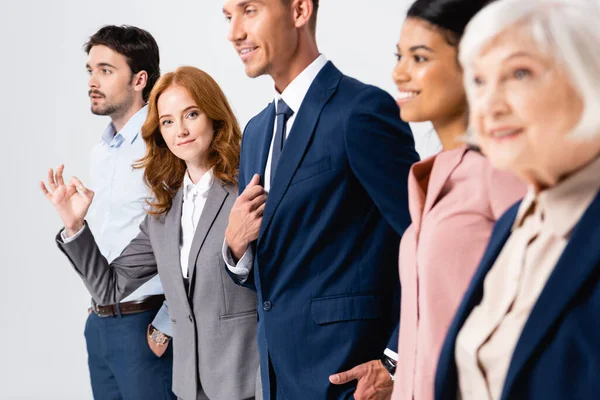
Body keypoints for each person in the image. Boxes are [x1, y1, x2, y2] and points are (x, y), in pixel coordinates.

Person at [221, 0, 420, 398]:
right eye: (228, 17)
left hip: (349, 378)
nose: (234, 32)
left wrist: (397, 361)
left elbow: (426, 239)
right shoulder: (257, 132)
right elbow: (272, 274)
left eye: (249, 10)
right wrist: (235, 248)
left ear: (299, 11)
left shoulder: (361, 111)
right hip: (279, 377)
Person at [41, 66, 260, 400]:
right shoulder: (163, 214)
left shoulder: (247, 189)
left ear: (214, 116)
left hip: (247, 380)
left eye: (191, 114)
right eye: (168, 121)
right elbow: (108, 287)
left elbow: (281, 284)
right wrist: (74, 226)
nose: (181, 130)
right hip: (189, 386)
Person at [434, 1, 600, 399]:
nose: (490, 105)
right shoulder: (512, 223)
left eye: (519, 74)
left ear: (588, 75)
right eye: (478, 81)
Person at [389, 0, 526, 399]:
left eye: (419, 58)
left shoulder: (503, 171)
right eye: (399, 56)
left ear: (474, 63)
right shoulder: (431, 177)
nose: (399, 73)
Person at [70, 25, 175, 399]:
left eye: (105, 70)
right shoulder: (101, 152)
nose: (92, 81)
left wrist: (168, 324)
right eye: (90, 70)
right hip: (101, 325)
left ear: (139, 79)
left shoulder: (164, 142)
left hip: (147, 327)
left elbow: (191, 235)